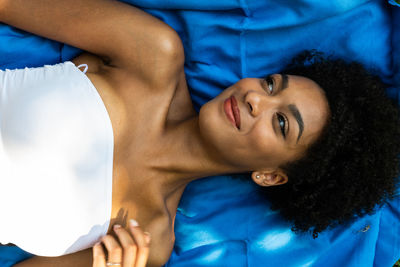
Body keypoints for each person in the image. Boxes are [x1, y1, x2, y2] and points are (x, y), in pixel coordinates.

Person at [0, 0, 399, 266]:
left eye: (281, 123)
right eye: (272, 84)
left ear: (272, 175)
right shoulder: (153, 55)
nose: (255, 98)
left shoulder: (147, 238)